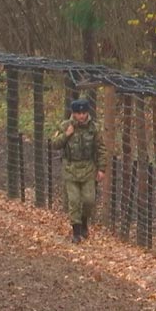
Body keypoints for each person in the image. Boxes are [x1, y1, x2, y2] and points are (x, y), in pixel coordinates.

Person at [50, 98, 107, 243]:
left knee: (89, 200)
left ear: (87, 113)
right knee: (74, 201)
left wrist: (102, 169)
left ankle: (84, 223)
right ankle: (76, 231)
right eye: (78, 113)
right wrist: (67, 134)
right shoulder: (65, 126)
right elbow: (54, 144)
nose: (81, 116)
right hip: (70, 168)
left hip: (88, 168)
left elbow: (101, 149)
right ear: (73, 113)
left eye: (83, 113)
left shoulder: (94, 128)